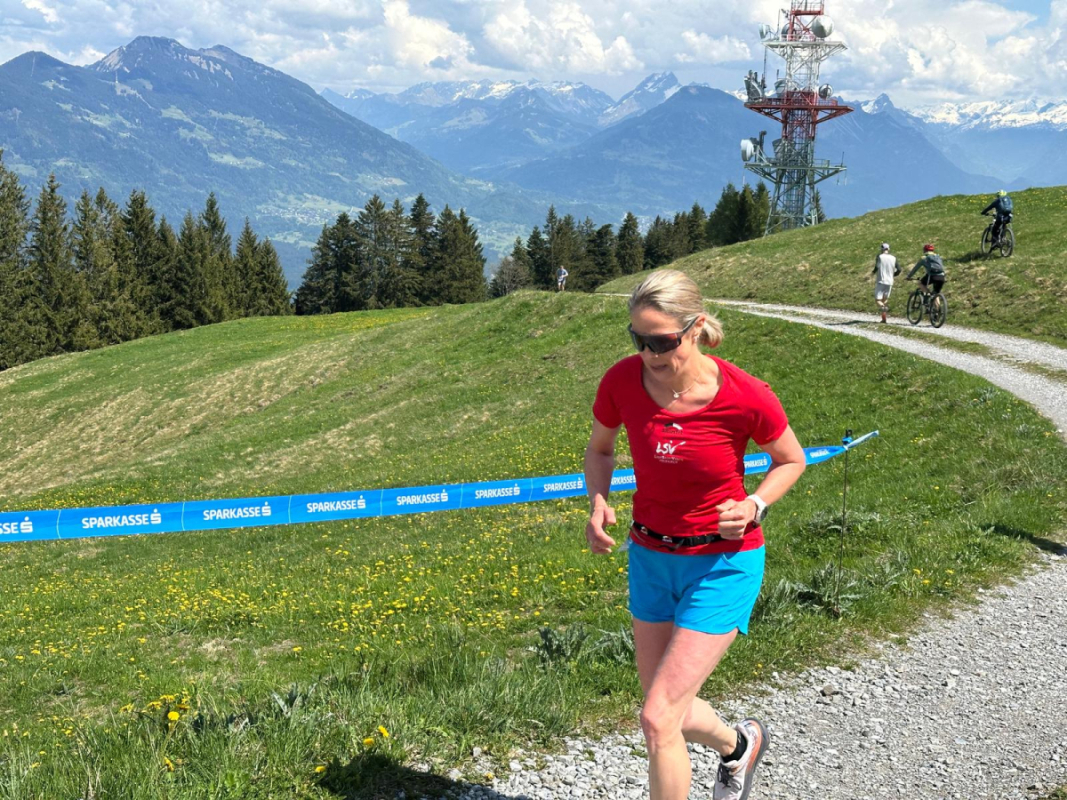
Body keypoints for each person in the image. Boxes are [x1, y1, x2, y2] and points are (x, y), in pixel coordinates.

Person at [584, 269, 807, 800]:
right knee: (670, 713)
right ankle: (739, 745)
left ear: (696, 328)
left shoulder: (745, 394)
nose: (649, 354)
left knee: (657, 716)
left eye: (661, 341)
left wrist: (755, 504)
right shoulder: (621, 381)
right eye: (638, 339)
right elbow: (599, 450)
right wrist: (597, 503)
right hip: (651, 557)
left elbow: (790, 461)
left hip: (722, 564)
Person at [870, 242, 900, 323]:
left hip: (881, 280)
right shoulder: (894, 258)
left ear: (881, 249)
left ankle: (883, 308)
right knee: (885, 300)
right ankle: (884, 319)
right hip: (890, 281)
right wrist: (893, 275)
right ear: (888, 249)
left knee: (878, 300)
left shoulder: (880, 256)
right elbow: (899, 269)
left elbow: (877, 266)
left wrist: (872, 273)